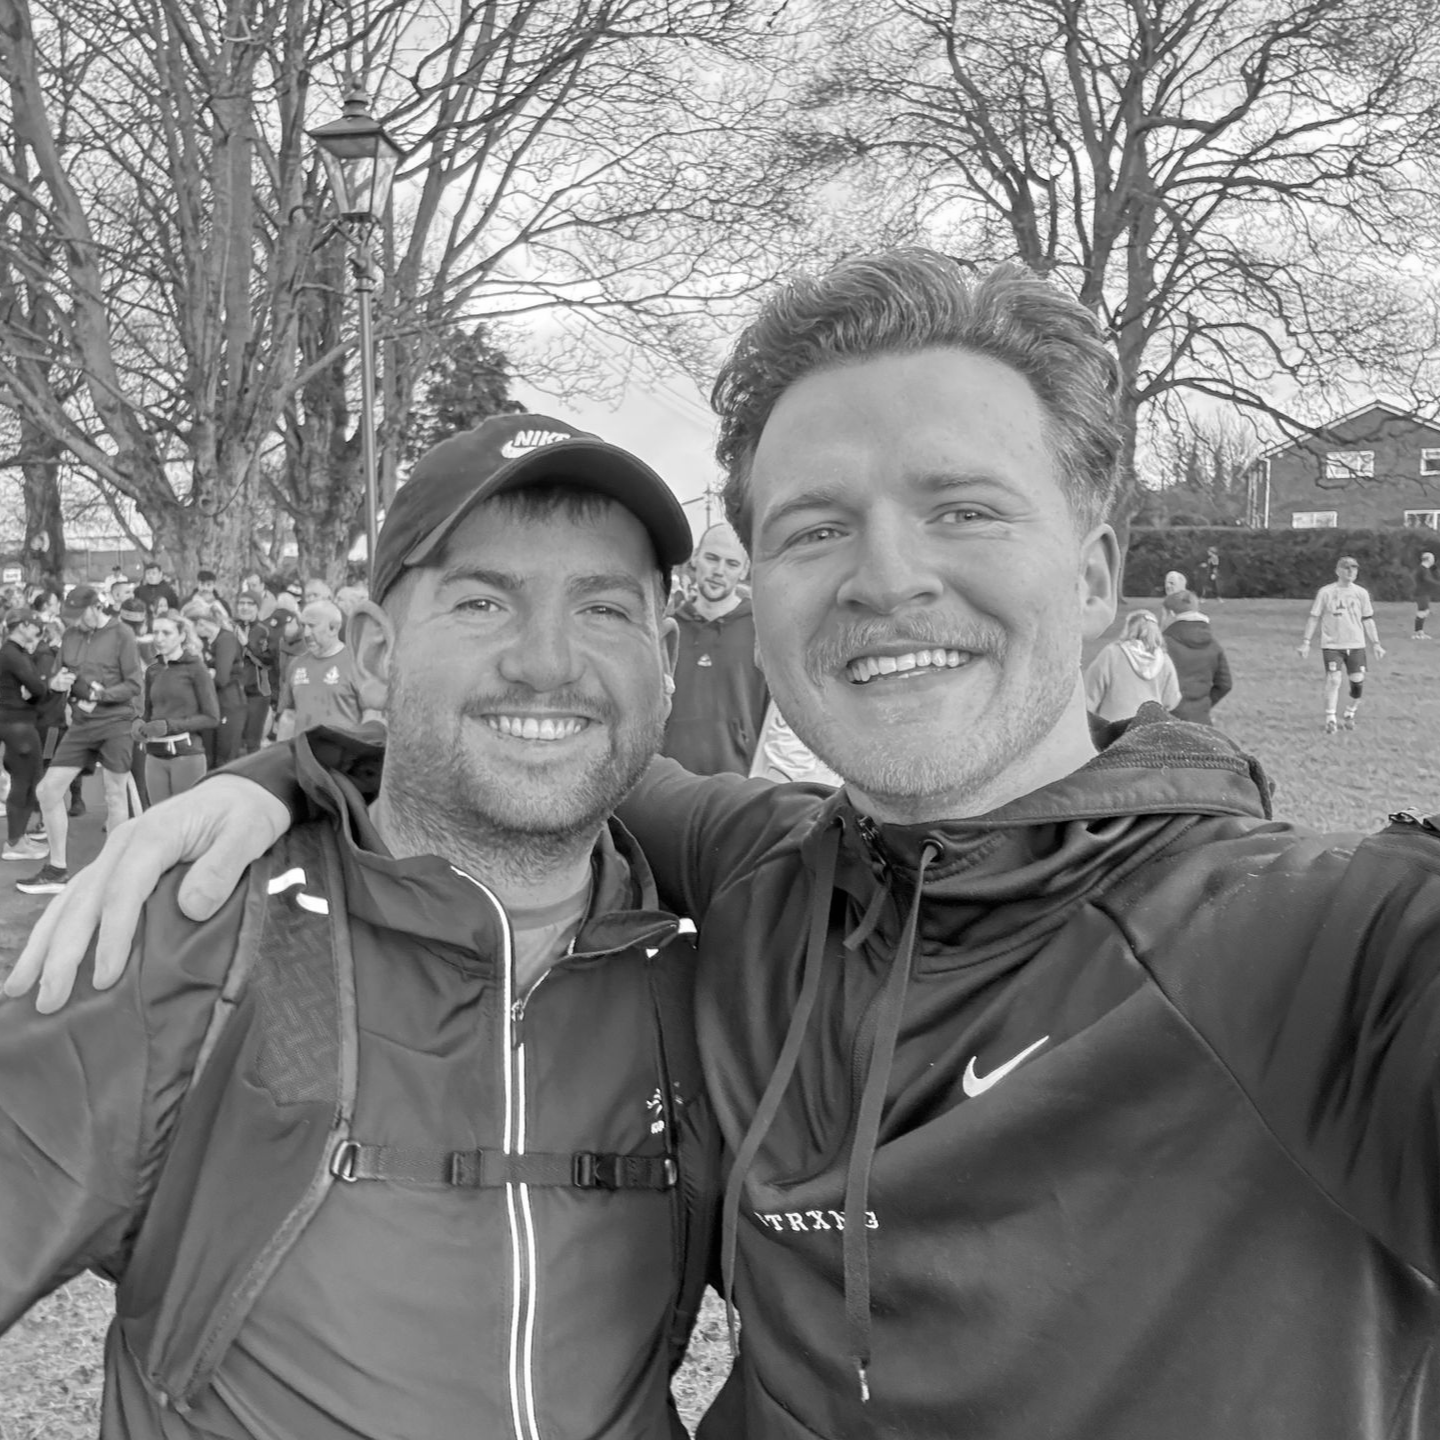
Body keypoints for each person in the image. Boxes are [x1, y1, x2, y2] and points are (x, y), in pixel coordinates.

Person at [18, 252, 1440, 1440]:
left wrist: (295, 758)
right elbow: (543, 754)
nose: (888, 577)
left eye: (962, 508)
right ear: (754, 594)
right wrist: (287, 774)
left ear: (1097, 575)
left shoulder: (1317, 950)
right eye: (817, 528)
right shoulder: (765, 881)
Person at [0, 413, 715, 1438]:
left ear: (666, 657)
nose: (547, 662)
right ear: (376, 654)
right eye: (482, 602)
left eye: (604, 608)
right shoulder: (196, 930)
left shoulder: (712, 971)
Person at [16, 584, 142, 894]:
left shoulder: (122, 634)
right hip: (82, 724)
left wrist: (101, 695)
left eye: (78, 614)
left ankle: (114, 870)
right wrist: (55, 683)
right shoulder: (71, 636)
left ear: (96, 607)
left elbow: (134, 685)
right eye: (69, 615)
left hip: (116, 722)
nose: (72, 621)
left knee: (115, 794)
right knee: (48, 791)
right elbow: (57, 675)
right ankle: (57, 870)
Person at [660, 521, 768, 774]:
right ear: (695, 558)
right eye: (711, 558)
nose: (719, 571)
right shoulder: (667, 631)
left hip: (739, 785)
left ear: (744, 570)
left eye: (731, 563)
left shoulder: (763, 633)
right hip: (669, 784)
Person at [137, 612, 220, 802]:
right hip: (154, 754)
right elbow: (149, 711)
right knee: (158, 814)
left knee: (185, 815)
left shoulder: (196, 668)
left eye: (166, 633)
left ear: (182, 635)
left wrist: (169, 725)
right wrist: (139, 724)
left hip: (186, 754)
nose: (159, 638)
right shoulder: (153, 670)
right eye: (155, 632)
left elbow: (212, 717)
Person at [1297, 555, 1385, 733]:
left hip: (1356, 644)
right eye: (1346, 568)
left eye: (1354, 568)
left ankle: (1350, 713)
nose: (1351, 571)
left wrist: (1376, 643)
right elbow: (1314, 617)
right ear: (1338, 571)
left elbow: (1368, 619)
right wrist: (1306, 642)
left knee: (1357, 683)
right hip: (1332, 644)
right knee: (1334, 679)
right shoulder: (1326, 592)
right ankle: (1330, 719)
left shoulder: (1361, 593)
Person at [0, 607, 51, 862]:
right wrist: (36, 690)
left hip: (13, 723)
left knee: (26, 780)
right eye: (35, 625)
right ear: (23, 626)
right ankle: (15, 842)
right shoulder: (13, 654)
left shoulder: (10, 652)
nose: (38, 630)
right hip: (18, 723)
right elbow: (38, 687)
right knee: (26, 781)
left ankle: (18, 837)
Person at [275, 599, 367, 739]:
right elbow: (289, 715)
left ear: (333, 628)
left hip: (343, 750)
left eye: (312, 626)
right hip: (304, 750)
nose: (306, 633)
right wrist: (282, 749)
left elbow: (371, 715)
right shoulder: (297, 664)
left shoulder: (357, 665)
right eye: (303, 625)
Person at [1083, 609, 1181, 722]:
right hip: (1149, 725)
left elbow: (1091, 692)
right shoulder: (1164, 660)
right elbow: (1171, 700)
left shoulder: (1111, 654)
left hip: (1113, 725)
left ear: (1128, 628)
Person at [186, 600, 245, 765]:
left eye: (190, 629)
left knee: (225, 759)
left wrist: (205, 674)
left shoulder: (226, 639)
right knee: (208, 758)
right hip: (209, 706)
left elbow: (221, 678)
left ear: (201, 624)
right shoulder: (204, 643)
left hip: (228, 703)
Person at [1161, 589, 1233, 724]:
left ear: (1170, 613)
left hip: (1167, 721)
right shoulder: (1213, 644)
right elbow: (1225, 684)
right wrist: (1203, 705)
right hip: (1201, 720)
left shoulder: (1163, 645)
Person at [233, 590, 276, 754]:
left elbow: (267, 662)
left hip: (257, 692)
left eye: (250, 604)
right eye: (241, 603)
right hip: (233, 691)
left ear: (257, 608)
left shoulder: (264, 630)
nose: (245, 607)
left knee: (252, 742)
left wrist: (247, 645)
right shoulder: (230, 627)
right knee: (233, 741)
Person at [1412, 550, 1439, 638]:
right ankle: (1418, 633)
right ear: (1428, 559)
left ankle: (1419, 632)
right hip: (1421, 593)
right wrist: (1438, 584)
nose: (1433, 560)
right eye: (1432, 558)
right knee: (1423, 611)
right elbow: (1427, 580)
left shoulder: (1425, 569)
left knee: (1424, 611)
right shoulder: (1422, 569)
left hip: (1424, 593)